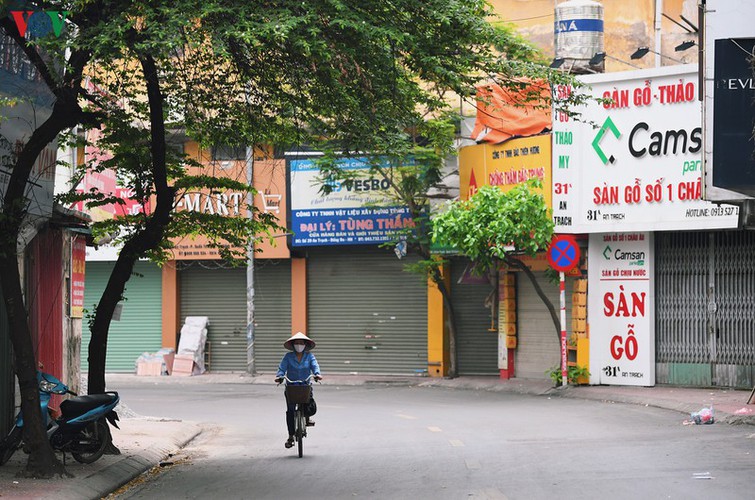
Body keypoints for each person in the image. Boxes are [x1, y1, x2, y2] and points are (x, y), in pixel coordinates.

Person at [275, 331, 322, 449]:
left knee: (308, 403)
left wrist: (317, 374)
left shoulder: (310, 356)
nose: (299, 345)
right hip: (291, 386)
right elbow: (282, 368)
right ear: (293, 345)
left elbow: (315, 366)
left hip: (305, 385)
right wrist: (279, 376)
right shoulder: (288, 357)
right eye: (297, 343)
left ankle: (306, 418)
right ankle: (290, 436)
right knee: (290, 411)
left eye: (301, 343)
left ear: (305, 345)